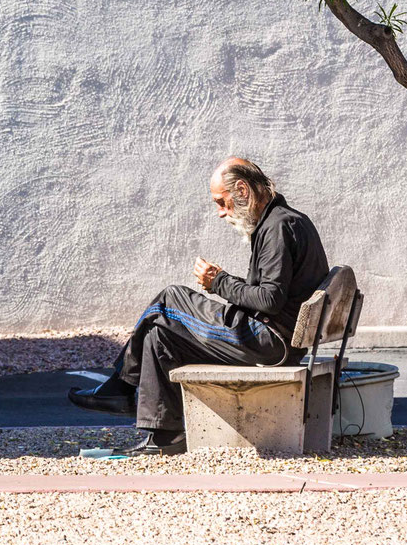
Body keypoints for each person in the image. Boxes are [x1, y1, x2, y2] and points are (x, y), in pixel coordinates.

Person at [68, 157, 330, 454]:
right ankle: (164, 438)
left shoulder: (278, 227)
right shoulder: (285, 220)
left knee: (170, 298)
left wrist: (218, 281)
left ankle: (121, 387)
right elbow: (270, 294)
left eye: (222, 201)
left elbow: (269, 299)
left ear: (242, 190)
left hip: (267, 341)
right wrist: (225, 284)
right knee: (159, 335)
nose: (220, 212)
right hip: (271, 336)